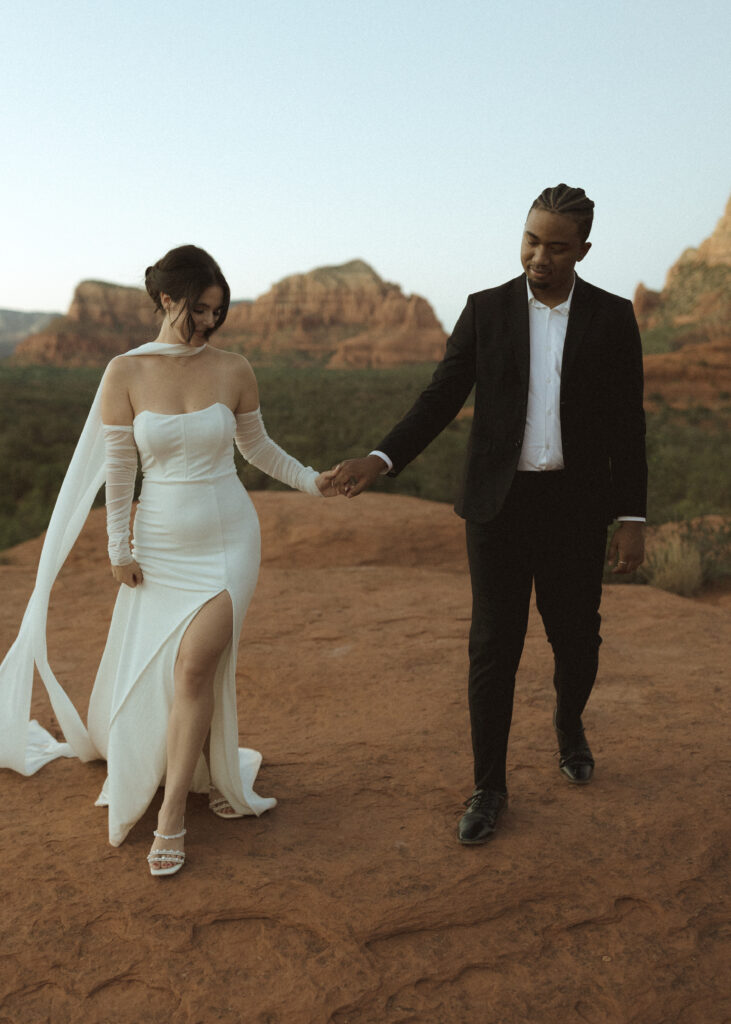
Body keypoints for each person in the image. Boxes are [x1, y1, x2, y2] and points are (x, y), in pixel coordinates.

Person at [0, 245, 337, 875]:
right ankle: (179, 769)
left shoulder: (234, 367)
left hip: (229, 538)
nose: (209, 322)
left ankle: (173, 815)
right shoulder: (124, 373)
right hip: (160, 545)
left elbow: (258, 449)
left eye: (217, 311)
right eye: (199, 309)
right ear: (167, 299)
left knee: (192, 670)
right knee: (174, 673)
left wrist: (315, 481)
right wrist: (117, 549)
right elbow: (121, 468)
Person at [331, 185, 647, 844]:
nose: (538, 257)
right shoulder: (485, 311)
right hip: (497, 508)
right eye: (531, 240)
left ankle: (568, 722)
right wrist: (380, 457)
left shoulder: (613, 318)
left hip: (573, 509)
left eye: (556, 247)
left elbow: (627, 424)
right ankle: (488, 787)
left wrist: (632, 516)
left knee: (576, 641)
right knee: (492, 648)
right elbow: (439, 398)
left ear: (582, 250)